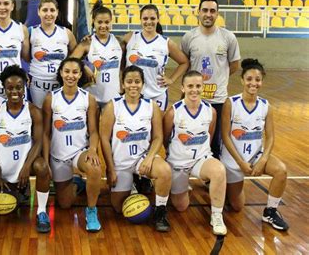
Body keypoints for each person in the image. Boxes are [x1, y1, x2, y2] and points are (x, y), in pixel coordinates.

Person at [100, 65, 172, 232]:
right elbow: (104, 139)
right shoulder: (113, 106)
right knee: (119, 208)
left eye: (137, 82)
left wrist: (149, 158)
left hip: (142, 159)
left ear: (143, 84)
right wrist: (110, 169)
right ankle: (133, 182)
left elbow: (158, 137)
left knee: (165, 171)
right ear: (123, 84)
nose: (133, 85)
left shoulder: (151, 106)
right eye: (129, 81)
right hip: (121, 163)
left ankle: (160, 211)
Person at [221, 59, 289, 231]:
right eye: (249, 79)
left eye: (257, 80)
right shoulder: (231, 103)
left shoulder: (266, 106)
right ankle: (228, 190)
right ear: (242, 80)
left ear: (262, 81)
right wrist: (240, 163)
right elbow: (225, 136)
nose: (253, 83)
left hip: (256, 155)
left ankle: (270, 211)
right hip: (233, 159)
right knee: (237, 206)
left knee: (281, 170)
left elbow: (271, 136)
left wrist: (263, 160)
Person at [0, 65, 51, 232]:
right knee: (6, 212)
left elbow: (37, 142)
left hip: (26, 164)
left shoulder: (33, 111)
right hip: (4, 168)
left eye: (18, 87)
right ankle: (13, 188)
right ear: (4, 89)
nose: (14, 91)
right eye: (9, 88)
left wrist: (26, 166)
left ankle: (42, 211)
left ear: (25, 86)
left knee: (42, 167)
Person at [163, 71, 227, 236]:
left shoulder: (210, 111)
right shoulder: (173, 112)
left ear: (202, 87)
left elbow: (209, 135)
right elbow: (164, 138)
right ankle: (178, 185)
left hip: (200, 159)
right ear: (183, 87)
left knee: (219, 170)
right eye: (190, 86)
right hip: (178, 163)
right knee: (181, 206)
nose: (194, 90)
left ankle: (217, 216)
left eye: (198, 86)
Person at [42, 57, 102, 232]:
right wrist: (46, 160)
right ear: (61, 73)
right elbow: (45, 133)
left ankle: (91, 211)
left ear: (80, 74)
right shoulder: (50, 99)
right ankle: (77, 183)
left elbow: (94, 131)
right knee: (65, 204)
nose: (70, 75)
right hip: (58, 155)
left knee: (95, 168)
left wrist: (92, 149)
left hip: (79, 152)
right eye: (67, 71)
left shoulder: (88, 98)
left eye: (75, 72)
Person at [180, 0, 240, 158]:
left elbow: (234, 65)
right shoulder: (188, 37)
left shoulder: (228, 37)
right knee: (192, 136)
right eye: (205, 10)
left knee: (214, 142)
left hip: (218, 100)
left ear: (217, 14)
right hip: (194, 99)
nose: (208, 14)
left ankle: (211, 177)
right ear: (198, 13)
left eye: (212, 11)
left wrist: (220, 76)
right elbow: (185, 64)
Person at [123, 4, 189, 112]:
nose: (149, 22)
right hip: (133, 93)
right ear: (140, 20)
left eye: (152, 18)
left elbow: (184, 62)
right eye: (145, 18)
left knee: (157, 128)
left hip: (157, 94)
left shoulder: (166, 42)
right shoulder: (130, 37)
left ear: (158, 19)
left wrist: (171, 79)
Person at [70, 0, 123, 108]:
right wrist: (83, 66)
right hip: (92, 98)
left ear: (111, 22)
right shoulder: (87, 43)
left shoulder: (119, 42)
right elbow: (69, 62)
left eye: (107, 22)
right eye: (99, 22)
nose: (103, 26)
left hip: (113, 98)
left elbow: (123, 65)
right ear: (93, 21)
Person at [29, 0, 77, 108]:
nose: (48, 14)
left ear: (57, 12)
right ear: (38, 12)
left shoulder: (67, 33)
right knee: (40, 120)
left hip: (60, 85)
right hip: (38, 86)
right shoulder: (31, 32)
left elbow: (75, 58)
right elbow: (25, 57)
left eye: (52, 10)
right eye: (45, 10)